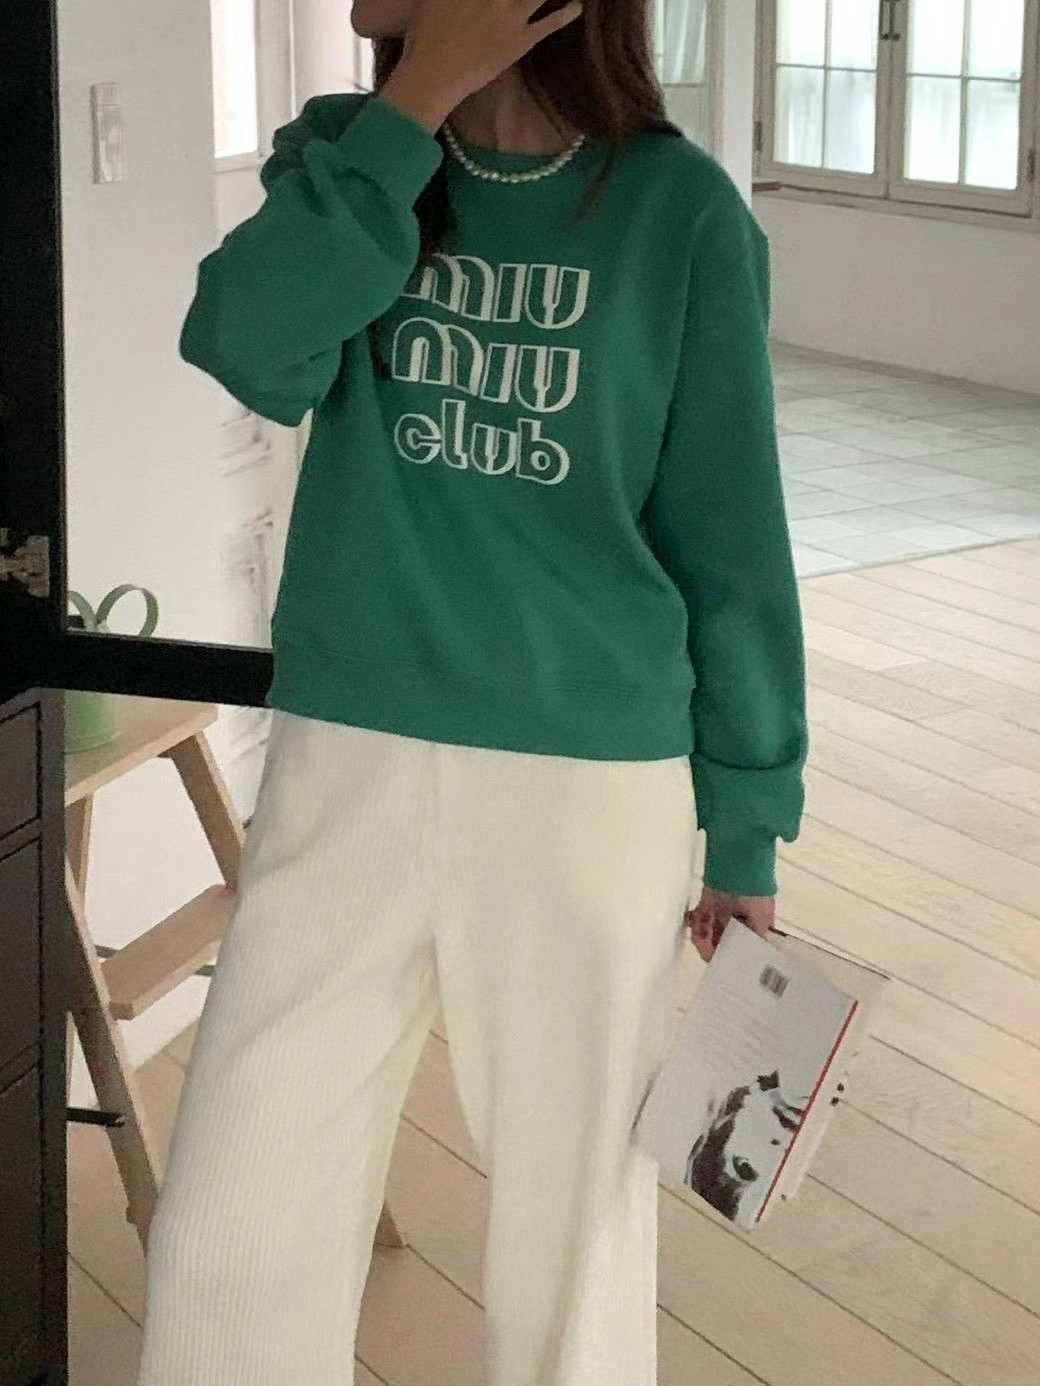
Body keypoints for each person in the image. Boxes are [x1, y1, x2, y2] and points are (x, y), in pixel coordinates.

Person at [136, 0, 808, 1381]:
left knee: (575, 1226)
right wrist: (414, 106)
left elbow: (732, 539)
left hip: (589, 780)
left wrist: (747, 823)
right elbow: (245, 343)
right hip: (348, 750)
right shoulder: (351, 157)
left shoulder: (680, 213)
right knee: (233, 1208)